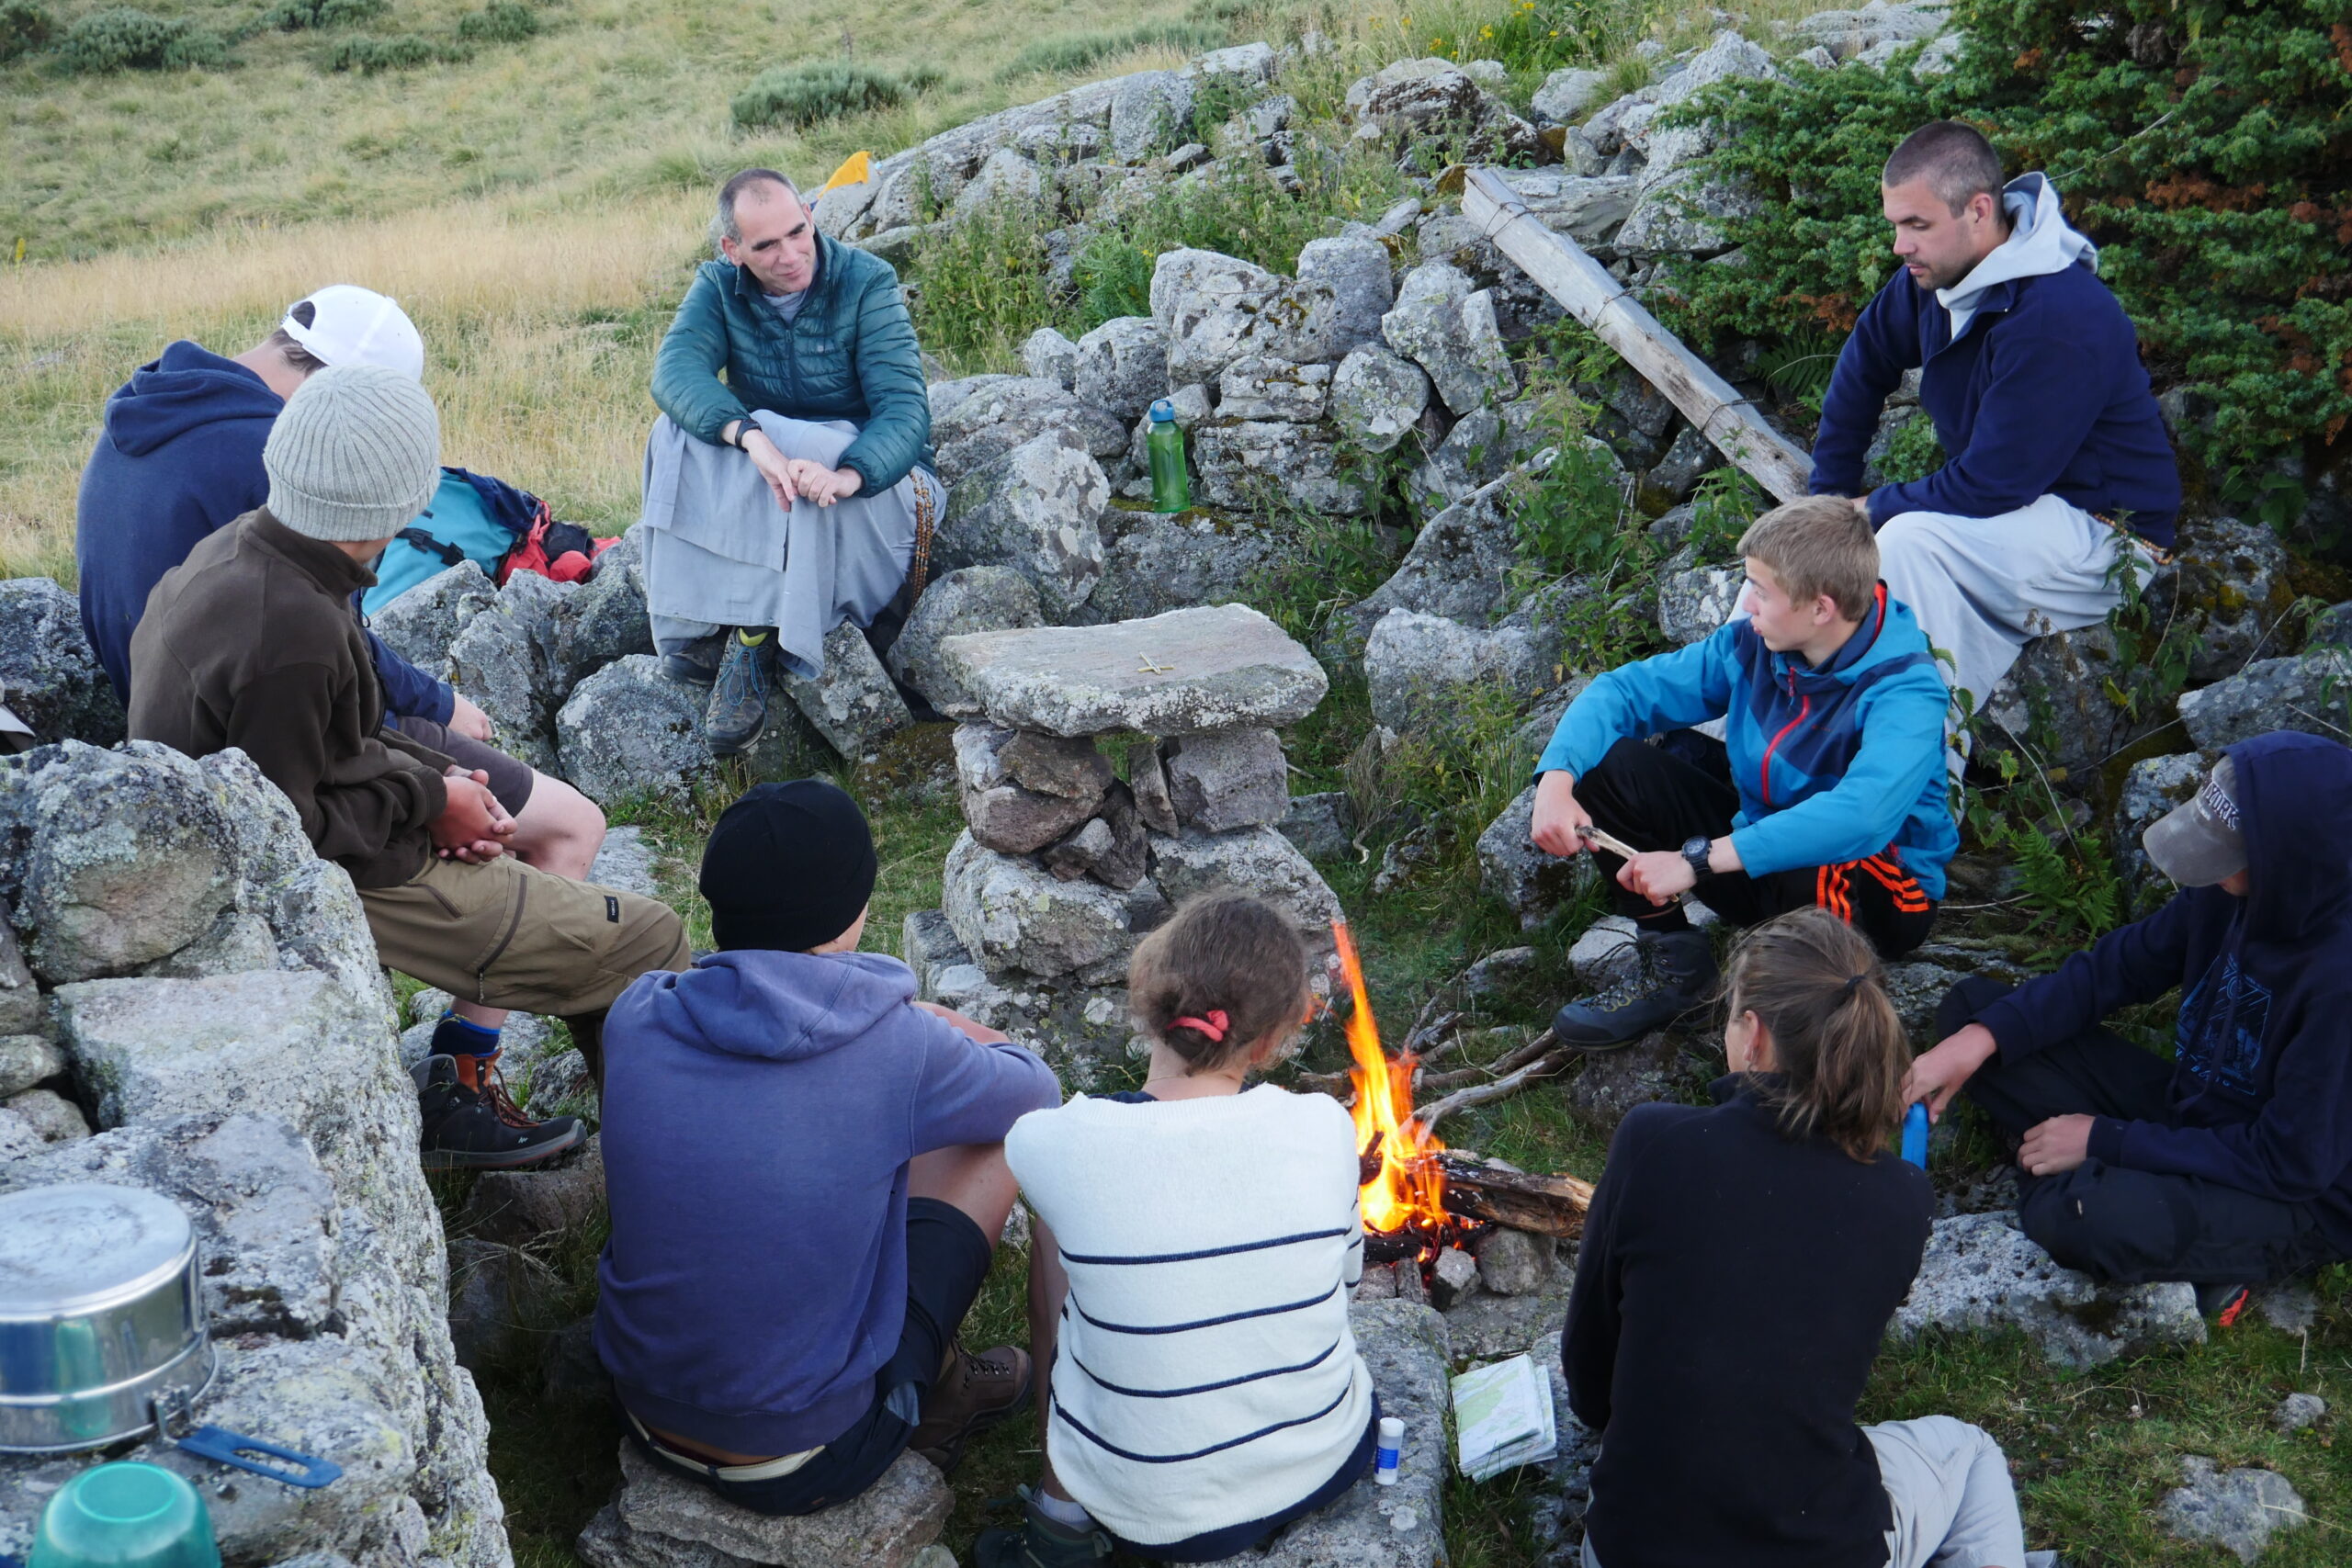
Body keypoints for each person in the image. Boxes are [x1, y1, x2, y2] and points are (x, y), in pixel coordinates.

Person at [129, 365, 688, 1169]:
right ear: (401, 503)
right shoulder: (292, 627)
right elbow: (283, 838)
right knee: (648, 939)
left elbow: (336, 743)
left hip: (348, 833)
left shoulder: (242, 552)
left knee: (594, 926)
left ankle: (515, 1106)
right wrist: (429, 805)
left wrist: (441, 790)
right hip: (344, 876)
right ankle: (675, 1192)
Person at [595, 780, 1060, 1514]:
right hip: (807, 1457)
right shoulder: (896, 1047)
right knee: (998, 1145)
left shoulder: (637, 1013)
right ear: (854, 913)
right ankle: (937, 1397)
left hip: (641, 1409)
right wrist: (931, 1018)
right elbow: (1035, 1092)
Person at [74, 284, 609, 885]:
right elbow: (331, 633)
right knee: (571, 825)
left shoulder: (157, 405)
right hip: (270, 746)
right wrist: (438, 704)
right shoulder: (283, 455)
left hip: (168, 721)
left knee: (484, 814)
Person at [1566, 908, 2027, 1568]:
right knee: (1970, 1450)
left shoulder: (1652, 1141)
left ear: (1753, 1036)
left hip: (1633, 1545)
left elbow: (1589, 1386)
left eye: (1730, 1014)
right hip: (1816, 1543)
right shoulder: (1903, 1198)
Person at [981, 890, 1375, 1567]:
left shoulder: (1057, 1144)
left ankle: (1059, 1522)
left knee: (1055, 1236)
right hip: (1326, 1458)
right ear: (1277, 1036)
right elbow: (1347, 1278)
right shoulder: (1324, 1125)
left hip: (1147, 1507)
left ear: (1148, 992)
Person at [1903, 733, 2352, 1325]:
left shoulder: (2339, 979)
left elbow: (2290, 1161)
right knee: (1973, 1012)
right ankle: (2087, 1173)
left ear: (2286, 859)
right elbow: (2114, 971)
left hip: (2292, 1191)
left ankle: (2208, 1246)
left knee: (2087, 1214)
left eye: (2227, 854)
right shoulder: (2226, 896)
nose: (2209, 869)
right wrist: (1975, 1043)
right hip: (2194, 1110)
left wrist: (2103, 1140)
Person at [1529, 495, 1955, 1049]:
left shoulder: (1906, 689)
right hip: (1755, 858)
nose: (1747, 605)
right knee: (1608, 764)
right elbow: (1624, 692)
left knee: (1825, 847)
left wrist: (1696, 862)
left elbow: (1864, 816)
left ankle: (1798, 1037)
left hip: (1879, 897)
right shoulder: (1757, 644)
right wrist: (1556, 780)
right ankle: (1676, 972)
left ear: (1821, 608)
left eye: (1761, 590)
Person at [1807, 120, 2182, 742]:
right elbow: (1864, 362)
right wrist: (1826, 498)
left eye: (1916, 225)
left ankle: (1901, 780)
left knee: (1906, 544)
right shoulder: (1936, 280)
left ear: (1979, 210)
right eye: (1895, 224)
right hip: (2019, 510)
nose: (1899, 245)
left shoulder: (2059, 314)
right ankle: (1725, 745)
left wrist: (1867, 508)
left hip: (2103, 532)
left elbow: (1991, 483)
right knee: (1796, 548)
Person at [641, 166, 941, 754]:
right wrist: (752, 440)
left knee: (812, 450)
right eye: (766, 245)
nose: (790, 255)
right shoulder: (718, 286)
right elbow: (674, 373)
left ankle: (761, 637)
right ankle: (710, 626)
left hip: (875, 488)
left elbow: (906, 412)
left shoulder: (867, 281)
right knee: (671, 431)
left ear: (810, 215)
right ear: (733, 250)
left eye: (798, 232)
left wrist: (849, 473)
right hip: (776, 471)